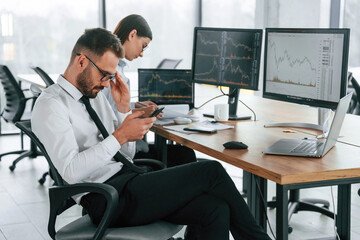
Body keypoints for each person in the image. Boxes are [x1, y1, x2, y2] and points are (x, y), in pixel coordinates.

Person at [31, 28, 271, 240]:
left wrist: (124, 110)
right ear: (81, 62)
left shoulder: (93, 96)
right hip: (106, 198)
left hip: (129, 181)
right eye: (104, 75)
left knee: (215, 208)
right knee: (211, 171)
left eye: (110, 77)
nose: (106, 84)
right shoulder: (51, 105)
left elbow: (125, 154)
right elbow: (71, 172)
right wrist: (120, 136)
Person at [103, 14, 196, 167]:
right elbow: (110, 116)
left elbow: (110, 106)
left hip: (115, 147)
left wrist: (135, 106)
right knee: (184, 155)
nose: (141, 53)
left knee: (181, 153)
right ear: (132, 34)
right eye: (143, 45)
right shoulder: (110, 71)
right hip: (117, 152)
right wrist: (142, 113)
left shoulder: (114, 67)